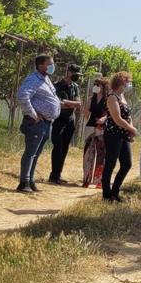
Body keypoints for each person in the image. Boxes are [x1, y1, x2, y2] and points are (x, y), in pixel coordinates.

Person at [15, 54, 64, 193]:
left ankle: (30, 180)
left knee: (36, 153)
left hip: (47, 123)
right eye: (50, 64)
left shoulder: (46, 80)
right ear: (41, 65)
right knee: (30, 152)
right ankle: (23, 182)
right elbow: (22, 96)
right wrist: (33, 114)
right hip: (36, 123)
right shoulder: (33, 79)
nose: (52, 66)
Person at [101, 72, 137, 201]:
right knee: (110, 164)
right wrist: (132, 128)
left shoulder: (122, 96)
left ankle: (115, 192)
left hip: (123, 134)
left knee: (127, 164)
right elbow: (117, 119)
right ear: (121, 83)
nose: (129, 84)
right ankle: (106, 194)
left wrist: (130, 131)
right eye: (127, 82)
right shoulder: (112, 97)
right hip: (113, 135)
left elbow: (128, 116)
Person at [47, 64, 84, 184]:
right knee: (57, 147)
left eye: (78, 75)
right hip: (58, 120)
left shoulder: (75, 87)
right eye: (75, 74)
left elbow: (79, 103)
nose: (77, 77)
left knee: (65, 148)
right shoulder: (57, 85)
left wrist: (67, 102)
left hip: (70, 120)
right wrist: (71, 103)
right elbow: (57, 104)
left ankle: (58, 174)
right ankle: (53, 176)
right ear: (68, 72)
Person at [81, 77, 110, 188]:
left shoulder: (108, 100)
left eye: (98, 85)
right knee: (88, 154)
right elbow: (86, 115)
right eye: (95, 84)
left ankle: (99, 180)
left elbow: (110, 114)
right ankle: (86, 179)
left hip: (101, 129)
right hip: (90, 128)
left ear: (104, 87)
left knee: (101, 155)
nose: (96, 87)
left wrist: (104, 119)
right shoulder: (90, 99)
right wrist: (85, 108)